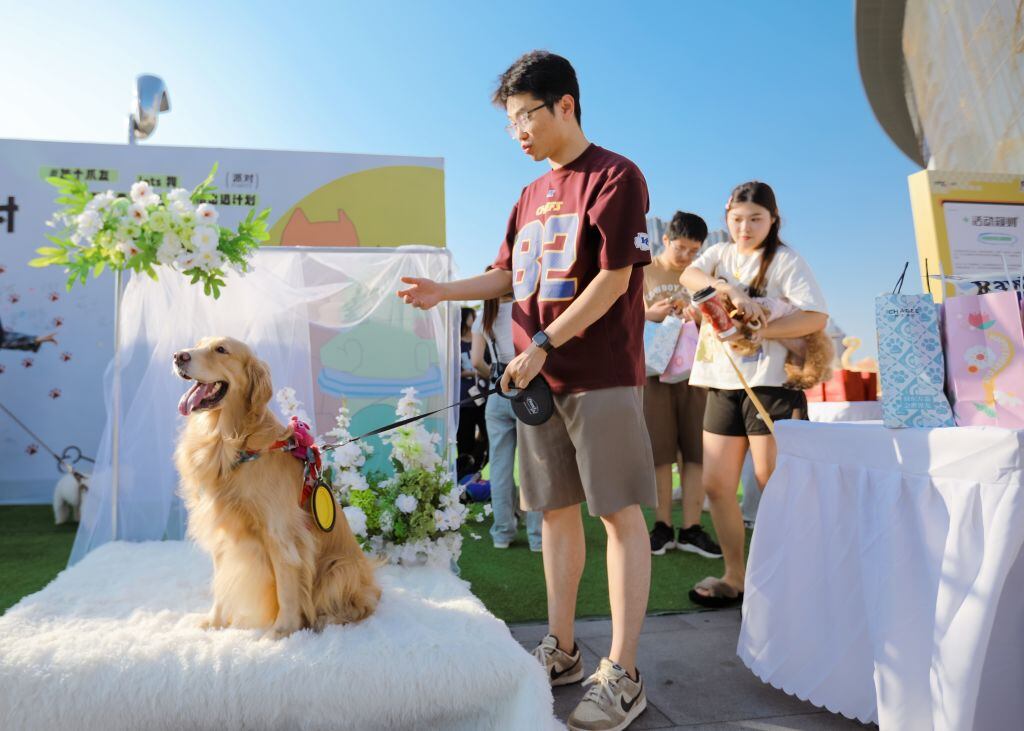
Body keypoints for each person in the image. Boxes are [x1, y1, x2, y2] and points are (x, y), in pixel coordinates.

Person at [398, 50, 654, 731]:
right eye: (510, 121)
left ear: (564, 104)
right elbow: (510, 276)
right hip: (537, 381)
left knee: (618, 514)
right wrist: (443, 293)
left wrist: (542, 344)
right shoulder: (527, 196)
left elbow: (615, 280)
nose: (518, 132)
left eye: (525, 116)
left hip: (597, 375)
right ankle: (563, 647)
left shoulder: (616, 175)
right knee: (554, 514)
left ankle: (623, 672)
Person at [680, 181, 828, 608]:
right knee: (717, 485)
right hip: (722, 383)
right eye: (737, 219)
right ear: (727, 220)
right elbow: (689, 275)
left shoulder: (785, 260)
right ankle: (736, 576)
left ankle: (793, 580)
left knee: (775, 484)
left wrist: (762, 329)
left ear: (773, 220)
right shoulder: (719, 255)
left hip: (772, 385)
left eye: (756, 219)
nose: (745, 228)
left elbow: (816, 316)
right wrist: (729, 290)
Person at [642, 211, 721, 559]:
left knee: (695, 451)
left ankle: (691, 528)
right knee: (659, 452)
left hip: (697, 371)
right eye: (681, 248)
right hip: (653, 371)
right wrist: (650, 313)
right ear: (665, 240)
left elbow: (718, 314)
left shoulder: (702, 274)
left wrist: (700, 314)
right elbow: (622, 314)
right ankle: (661, 525)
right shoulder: (642, 270)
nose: (687, 256)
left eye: (694, 250)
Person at [470, 278, 543, 551]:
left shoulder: (483, 315)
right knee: (533, 465)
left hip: (496, 394)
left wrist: (498, 379)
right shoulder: (525, 309)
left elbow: (477, 361)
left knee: (499, 467)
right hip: (528, 392)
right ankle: (537, 537)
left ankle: (502, 533)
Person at [456, 307, 487, 479]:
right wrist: (476, 371)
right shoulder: (455, 344)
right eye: (471, 317)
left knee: (488, 437)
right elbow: (455, 371)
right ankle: (464, 480)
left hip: (483, 397)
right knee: (464, 441)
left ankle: (476, 469)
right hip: (464, 400)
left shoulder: (479, 341)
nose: (475, 319)